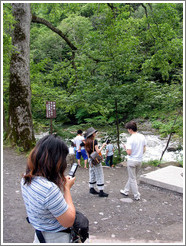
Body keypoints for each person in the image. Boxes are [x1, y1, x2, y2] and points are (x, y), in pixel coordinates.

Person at [21, 134, 76, 243]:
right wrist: (66, 188)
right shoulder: (49, 189)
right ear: (56, 161)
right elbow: (69, 221)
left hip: (39, 235)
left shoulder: (26, 178)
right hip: (56, 238)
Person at [120, 121, 147, 201]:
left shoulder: (130, 139)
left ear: (130, 129)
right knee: (133, 177)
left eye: (128, 129)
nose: (128, 131)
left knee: (132, 179)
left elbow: (129, 152)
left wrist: (125, 148)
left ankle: (136, 195)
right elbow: (144, 148)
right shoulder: (142, 136)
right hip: (139, 160)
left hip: (132, 161)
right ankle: (126, 190)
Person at [84, 127, 108, 197]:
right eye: (94, 132)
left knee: (92, 174)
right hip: (95, 160)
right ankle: (101, 191)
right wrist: (103, 145)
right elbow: (98, 151)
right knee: (99, 174)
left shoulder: (86, 142)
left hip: (90, 160)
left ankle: (91, 188)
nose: (95, 133)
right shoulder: (95, 141)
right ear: (92, 134)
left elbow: (88, 153)